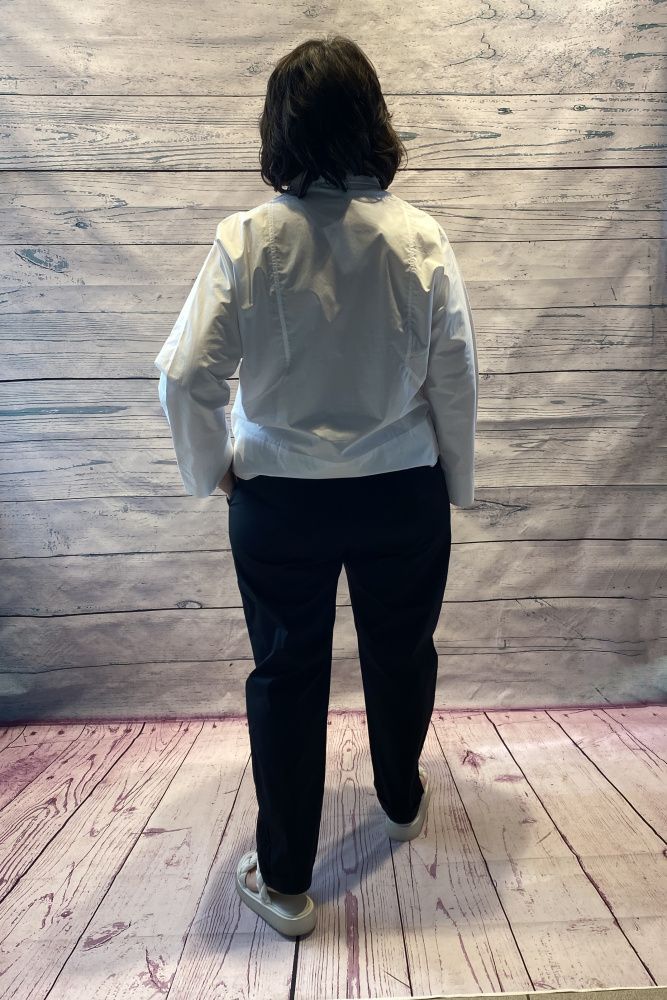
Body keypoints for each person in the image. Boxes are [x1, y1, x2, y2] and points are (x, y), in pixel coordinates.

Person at [153, 34, 479, 939]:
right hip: (399, 491)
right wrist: (454, 478)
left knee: (287, 674)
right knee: (401, 653)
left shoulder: (247, 239)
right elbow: (454, 375)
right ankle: (401, 803)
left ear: (280, 128)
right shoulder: (418, 236)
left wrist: (214, 470)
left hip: (280, 501)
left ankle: (288, 883)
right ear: (373, 120)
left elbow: (184, 376)